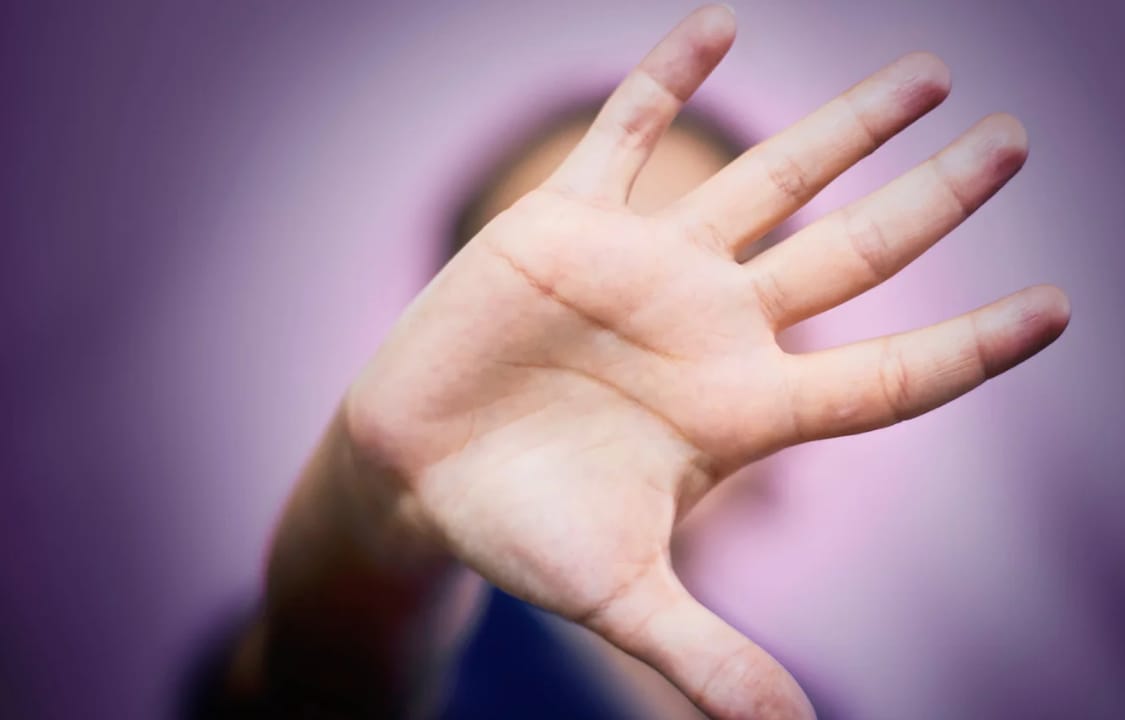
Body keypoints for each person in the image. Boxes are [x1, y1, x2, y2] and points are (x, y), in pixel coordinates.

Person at [194, 5, 1070, 718]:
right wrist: (367, 525)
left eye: (712, 280)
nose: (635, 343)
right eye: (562, 303)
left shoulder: (802, 699)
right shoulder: (395, 649)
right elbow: (320, 687)